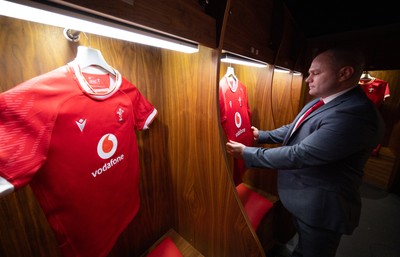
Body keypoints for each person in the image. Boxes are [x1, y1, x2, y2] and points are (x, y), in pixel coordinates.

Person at [225, 46, 385, 257]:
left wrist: (248, 153)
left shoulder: (356, 115)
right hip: (305, 200)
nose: (308, 79)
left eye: (315, 73)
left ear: (344, 73)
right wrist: (261, 135)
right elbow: (294, 128)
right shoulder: (326, 100)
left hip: (322, 209)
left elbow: (301, 154)